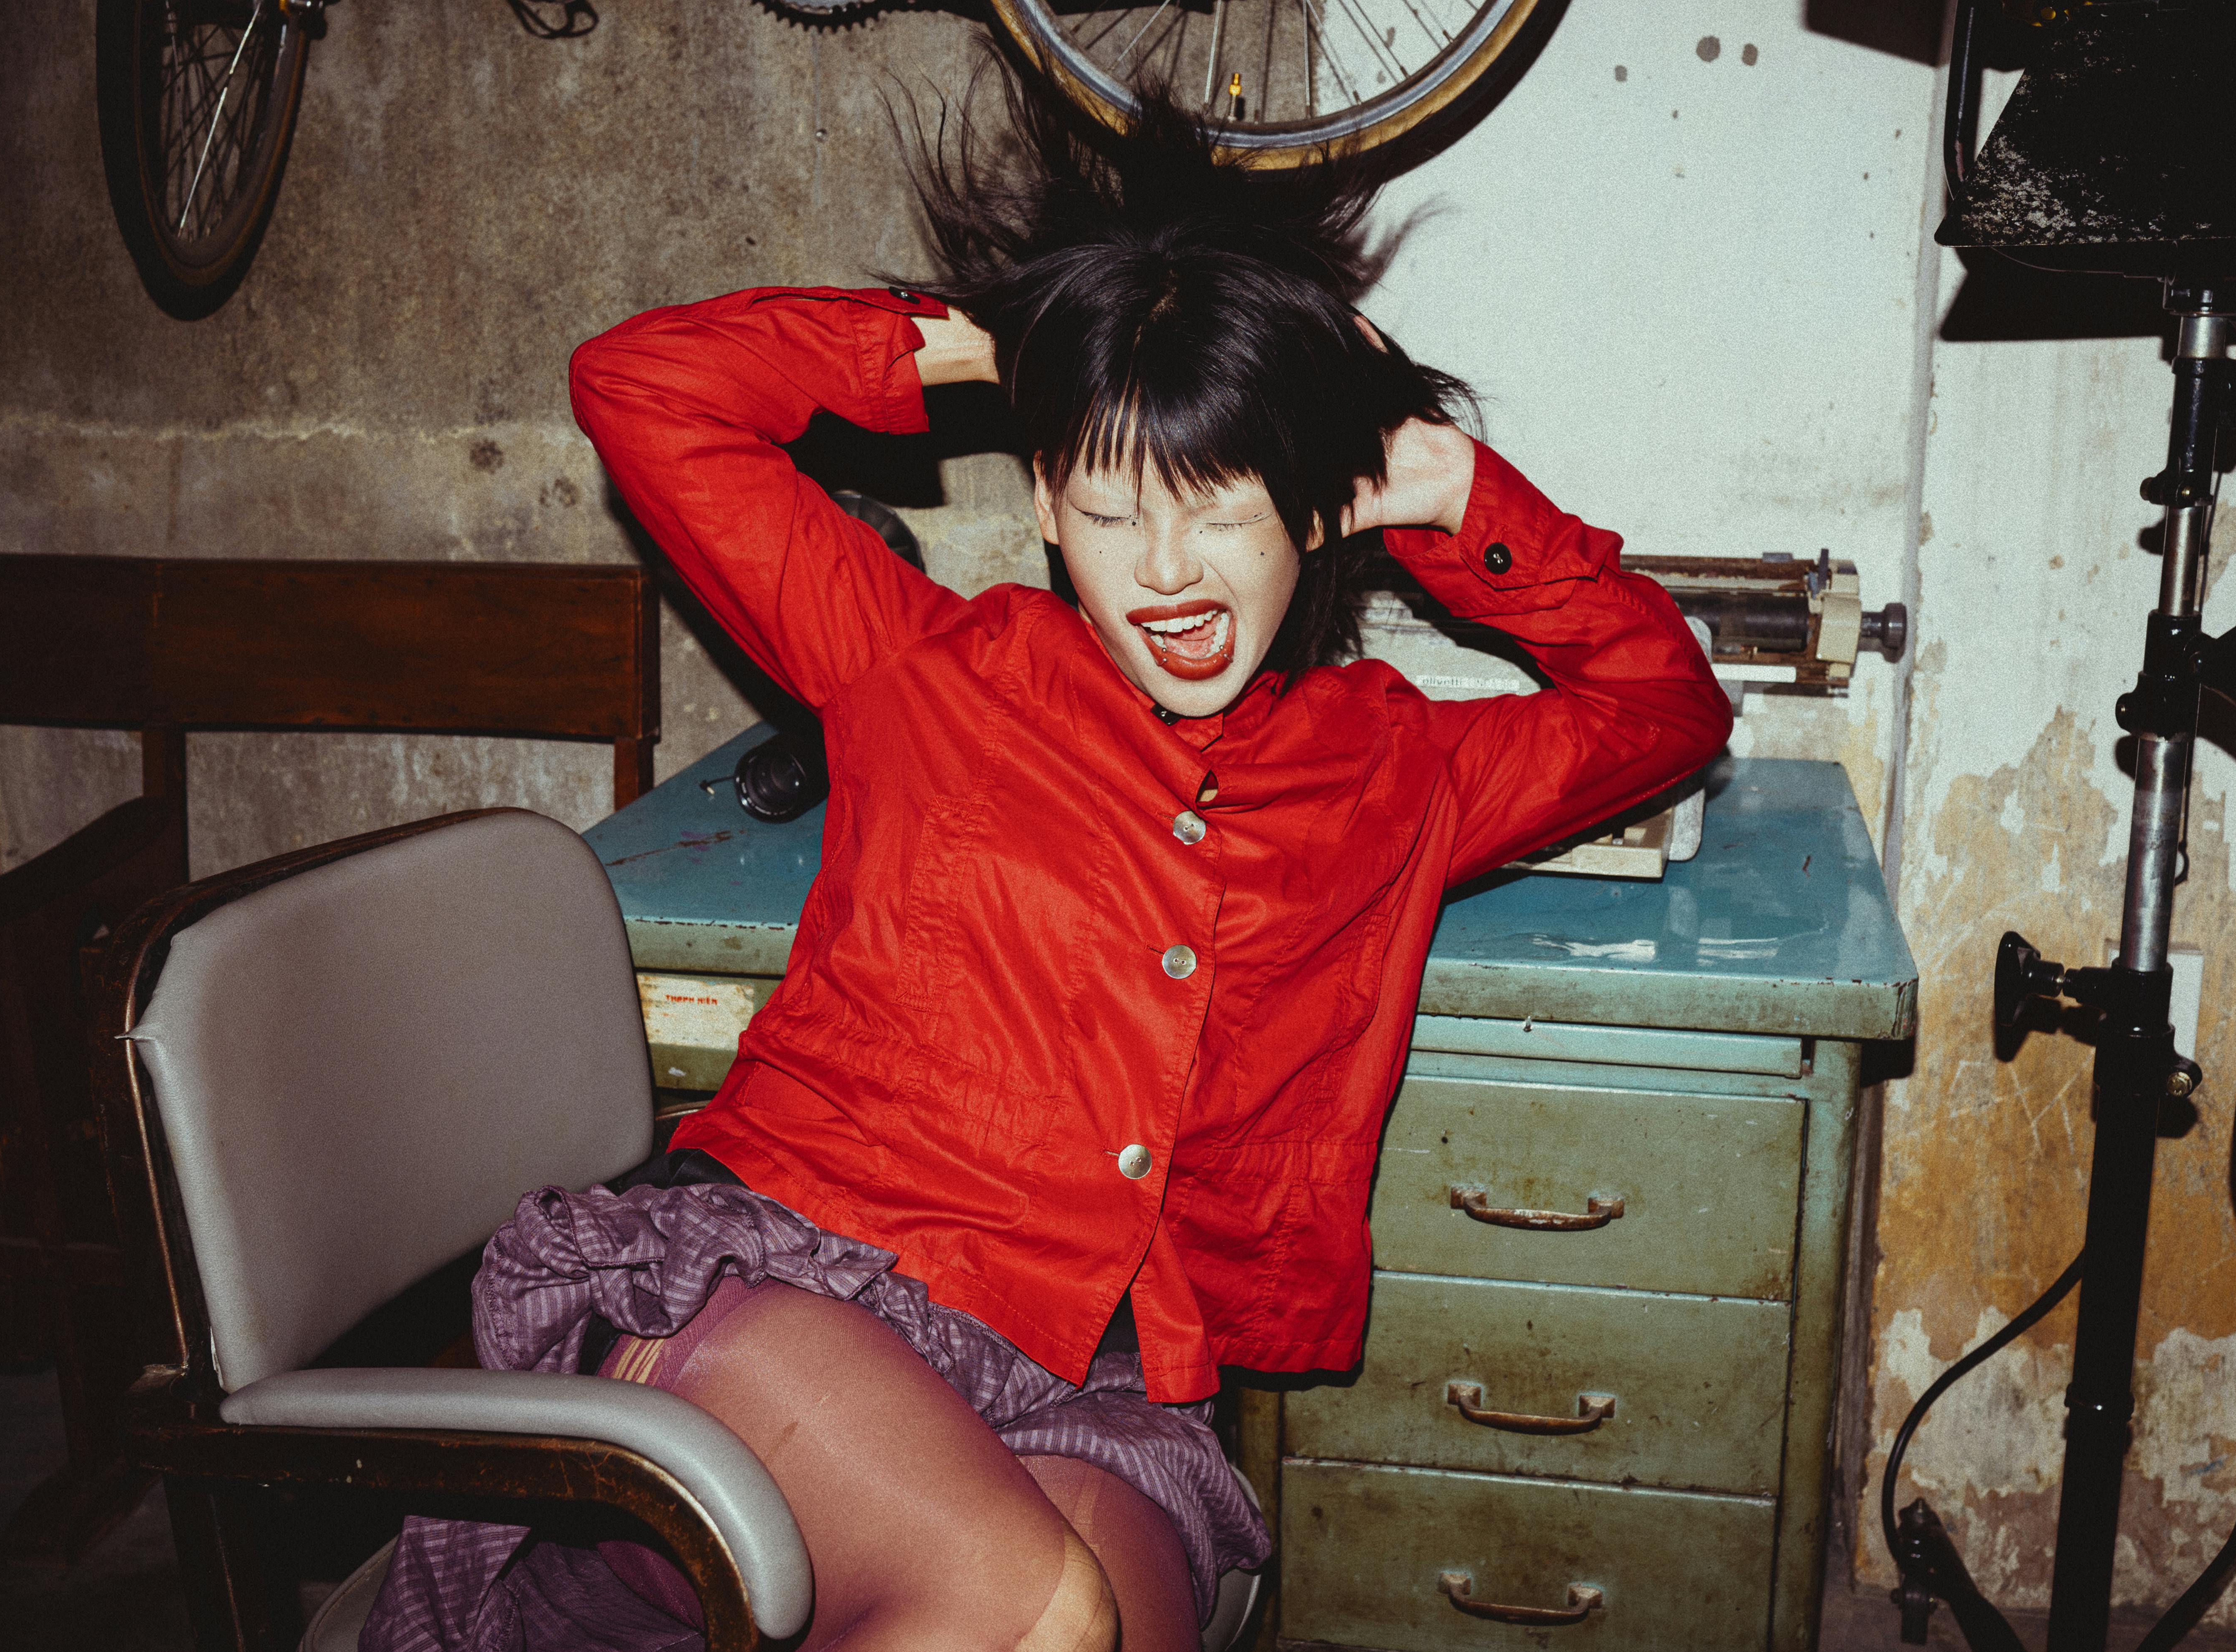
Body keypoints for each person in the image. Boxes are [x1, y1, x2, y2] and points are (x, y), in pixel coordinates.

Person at [362, 70, 1729, 1652]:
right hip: (792, 1288)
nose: (1164, 570)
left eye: (1220, 506)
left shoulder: (1389, 767)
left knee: (1100, 1626)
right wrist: (1006, 337)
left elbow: (1661, 704)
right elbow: (644, 387)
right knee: (1029, 1612)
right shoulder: (919, 666)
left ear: (1312, 507)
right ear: (1043, 507)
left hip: (1093, 1373)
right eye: (1108, 504)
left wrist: (1443, 486)